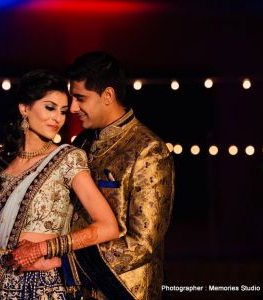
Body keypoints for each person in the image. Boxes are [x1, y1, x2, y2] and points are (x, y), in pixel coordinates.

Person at [0, 69, 119, 300]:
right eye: (50, 108)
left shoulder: (68, 158)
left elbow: (108, 226)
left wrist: (43, 249)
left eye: (63, 111)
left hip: (44, 284)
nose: (57, 118)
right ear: (24, 108)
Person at [64, 52, 175, 299]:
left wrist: (67, 264)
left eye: (80, 98)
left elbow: (142, 244)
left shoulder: (148, 149)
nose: (72, 108)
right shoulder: (82, 142)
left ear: (108, 95)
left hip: (124, 292)